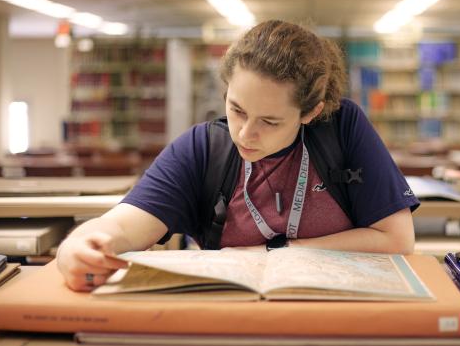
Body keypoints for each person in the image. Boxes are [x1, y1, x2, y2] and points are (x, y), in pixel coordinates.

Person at [57, 20, 420, 291]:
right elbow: (121, 225)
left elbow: (397, 239)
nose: (246, 134)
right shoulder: (203, 149)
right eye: (237, 109)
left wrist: (279, 251)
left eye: (271, 121)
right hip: (230, 322)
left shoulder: (342, 128)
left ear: (310, 113)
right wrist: (79, 245)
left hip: (338, 316)